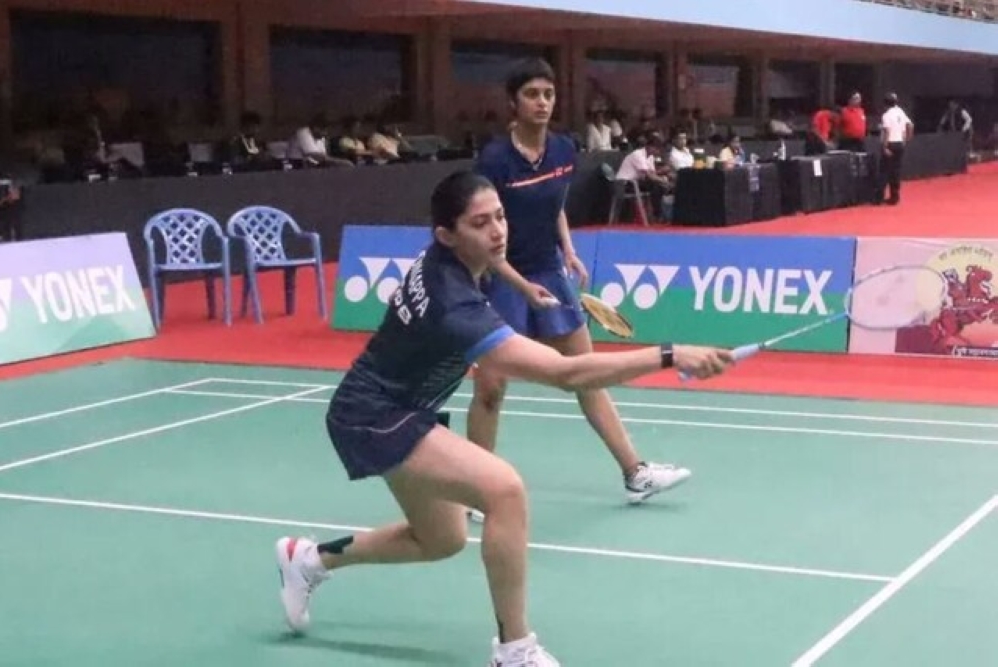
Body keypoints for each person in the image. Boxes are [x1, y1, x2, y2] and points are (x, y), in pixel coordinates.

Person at [275, 171, 735, 667]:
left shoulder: (457, 259)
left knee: (442, 539)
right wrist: (669, 354)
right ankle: (515, 650)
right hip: (373, 414)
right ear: (446, 235)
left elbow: (494, 260)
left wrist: (524, 288)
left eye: (499, 216)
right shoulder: (453, 301)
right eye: (481, 223)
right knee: (504, 491)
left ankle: (308, 560)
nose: (497, 231)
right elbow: (566, 373)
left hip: (405, 406)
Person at [469, 59, 690, 522]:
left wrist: (568, 251)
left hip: (548, 270)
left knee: (587, 372)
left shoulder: (563, 149)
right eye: (532, 94)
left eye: (548, 94)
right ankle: (475, 488)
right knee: (490, 386)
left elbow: (555, 206)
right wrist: (520, 285)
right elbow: (484, 237)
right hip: (503, 274)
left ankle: (635, 472)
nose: (542, 103)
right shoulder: (494, 160)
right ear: (513, 102)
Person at [878, 93, 914, 206]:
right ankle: (894, 196)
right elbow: (910, 125)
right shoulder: (900, 112)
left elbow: (887, 131)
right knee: (896, 171)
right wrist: (907, 139)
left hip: (890, 144)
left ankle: (879, 197)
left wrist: (885, 147)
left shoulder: (886, 115)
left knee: (884, 171)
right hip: (899, 143)